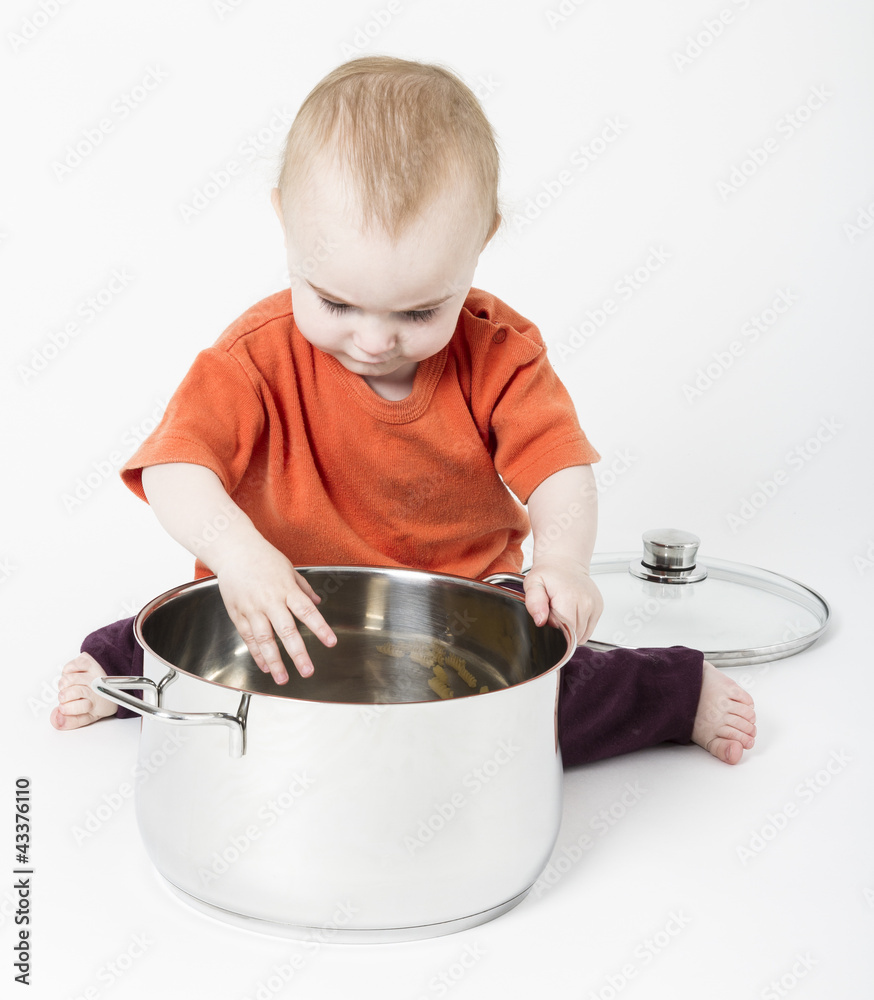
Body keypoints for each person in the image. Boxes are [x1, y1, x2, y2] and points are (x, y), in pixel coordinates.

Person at [50, 56, 756, 766]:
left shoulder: (499, 355)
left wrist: (564, 563)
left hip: (458, 621)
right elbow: (175, 469)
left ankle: (673, 692)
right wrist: (240, 556)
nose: (374, 341)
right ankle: (128, 668)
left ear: (481, 241)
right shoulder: (252, 359)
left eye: (418, 312)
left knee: (545, 710)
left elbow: (560, 471)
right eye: (335, 303)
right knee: (191, 638)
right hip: (284, 603)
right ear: (286, 225)